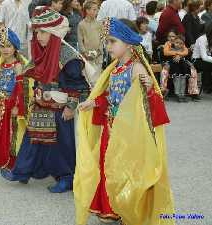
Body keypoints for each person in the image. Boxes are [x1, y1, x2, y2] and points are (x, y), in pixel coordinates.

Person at [74, 18, 175, 225]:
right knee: (109, 167)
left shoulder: (136, 68)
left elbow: (148, 104)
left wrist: (148, 88)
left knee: (127, 170)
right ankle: (113, 208)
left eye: (112, 42)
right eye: (107, 42)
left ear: (128, 44)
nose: (108, 46)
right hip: (110, 129)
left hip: (128, 134)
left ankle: (129, 207)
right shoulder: (114, 69)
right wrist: (93, 102)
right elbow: (111, 96)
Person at [1, 7, 90, 193]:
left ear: (53, 33)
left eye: (42, 32)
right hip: (41, 104)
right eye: (36, 32)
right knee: (32, 139)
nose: (38, 36)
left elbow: (80, 86)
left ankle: (66, 177)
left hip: (60, 109)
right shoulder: (42, 53)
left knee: (60, 144)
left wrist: (71, 106)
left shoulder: (68, 57)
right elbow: (34, 73)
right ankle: (22, 171)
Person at [0, 27, 27, 169]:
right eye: (2, 46)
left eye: (8, 46)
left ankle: (9, 159)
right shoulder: (0, 64)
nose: (5, 49)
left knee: (9, 132)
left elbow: (21, 89)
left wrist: (17, 105)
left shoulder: (19, 65)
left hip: (10, 104)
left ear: (15, 47)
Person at [77, 0, 103, 85]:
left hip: (98, 56)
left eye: (97, 9)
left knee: (97, 79)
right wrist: (85, 53)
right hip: (87, 56)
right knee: (89, 79)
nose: (96, 11)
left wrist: (99, 51)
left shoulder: (99, 24)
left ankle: (96, 96)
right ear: (87, 11)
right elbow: (80, 41)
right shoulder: (81, 24)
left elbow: (102, 39)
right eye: (94, 9)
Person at [164, 34, 191, 102]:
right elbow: (166, 53)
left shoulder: (183, 49)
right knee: (177, 79)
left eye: (181, 43)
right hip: (174, 67)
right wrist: (177, 54)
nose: (178, 45)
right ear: (174, 42)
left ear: (183, 44)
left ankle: (182, 94)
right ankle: (178, 94)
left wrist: (179, 55)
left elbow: (186, 52)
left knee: (183, 79)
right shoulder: (170, 48)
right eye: (177, 43)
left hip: (182, 67)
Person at [192, 20, 212, 95]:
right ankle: (209, 86)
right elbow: (204, 57)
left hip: (206, 60)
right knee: (211, 65)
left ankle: (210, 86)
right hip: (196, 60)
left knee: (211, 65)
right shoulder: (202, 39)